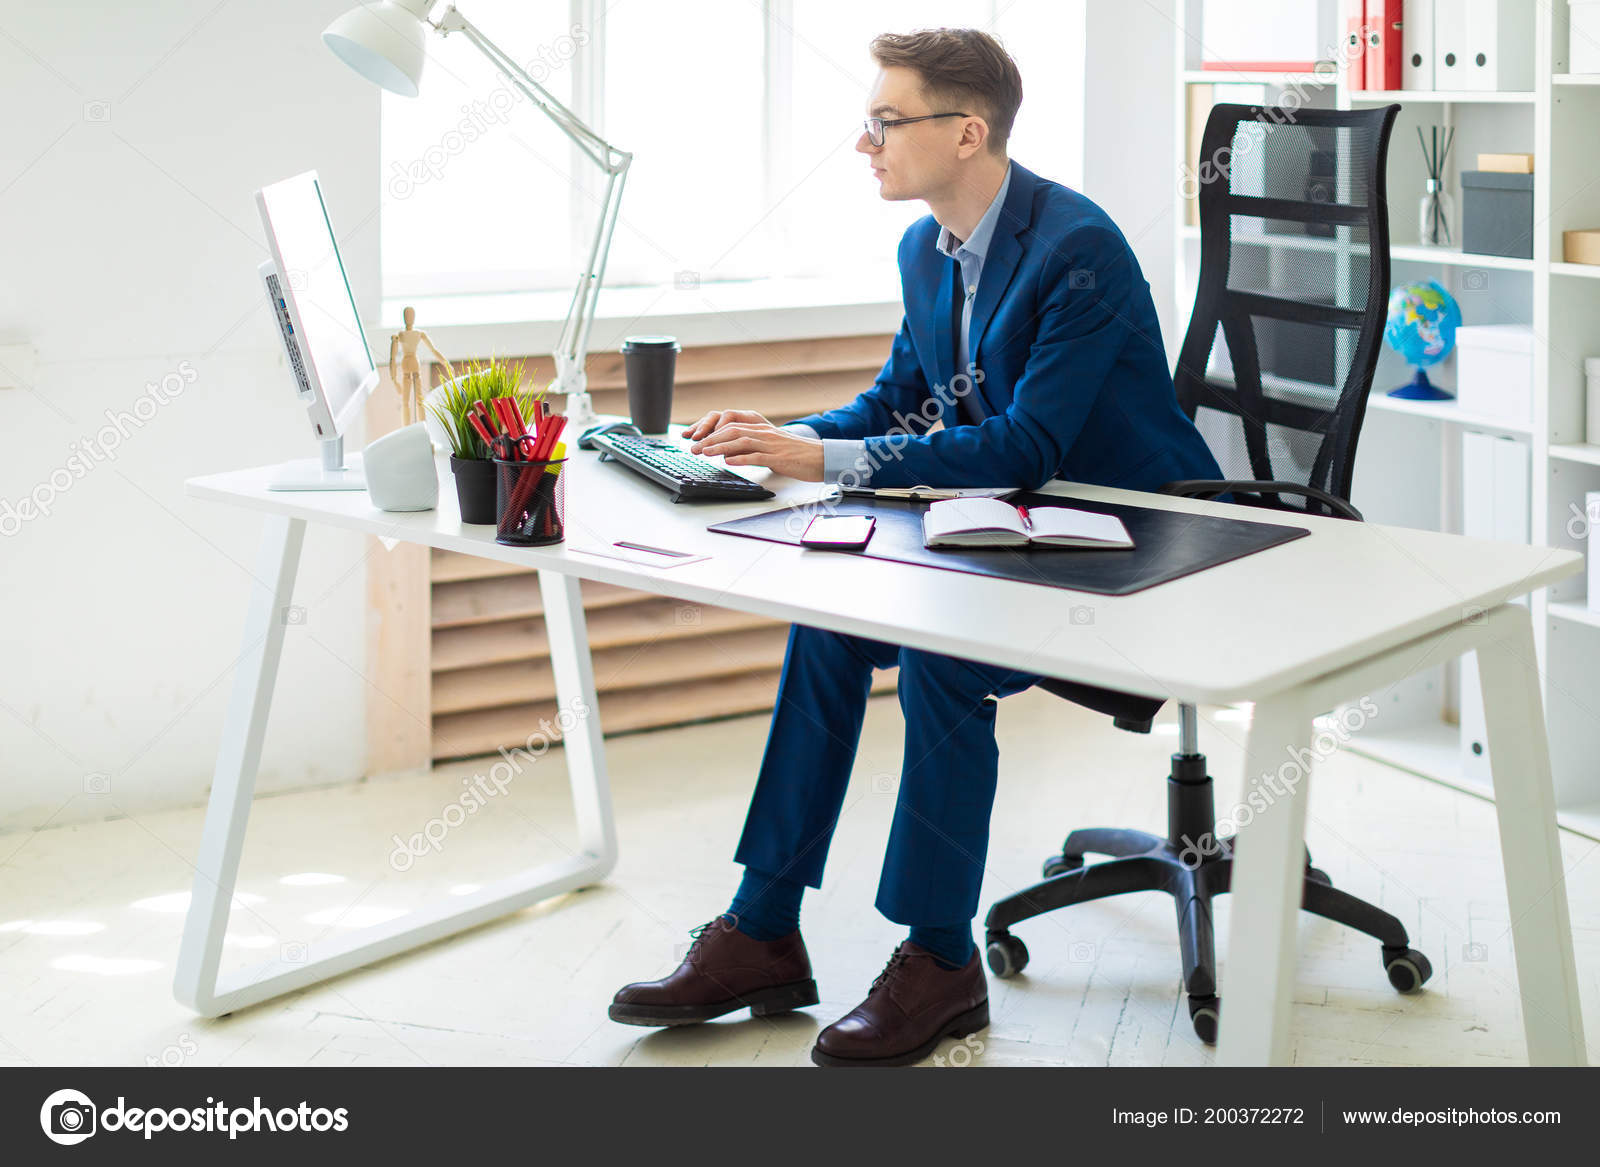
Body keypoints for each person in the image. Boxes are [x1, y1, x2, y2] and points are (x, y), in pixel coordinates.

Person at [609, 27, 1225, 1068]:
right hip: (1017, 524)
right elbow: (899, 400)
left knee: (941, 652)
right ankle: (761, 928)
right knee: (831, 627)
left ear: (967, 131)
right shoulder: (924, 250)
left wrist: (825, 460)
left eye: (886, 123)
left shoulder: (1076, 248)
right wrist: (782, 440)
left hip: (1131, 534)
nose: (864, 143)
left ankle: (940, 961)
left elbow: (1029, 441)